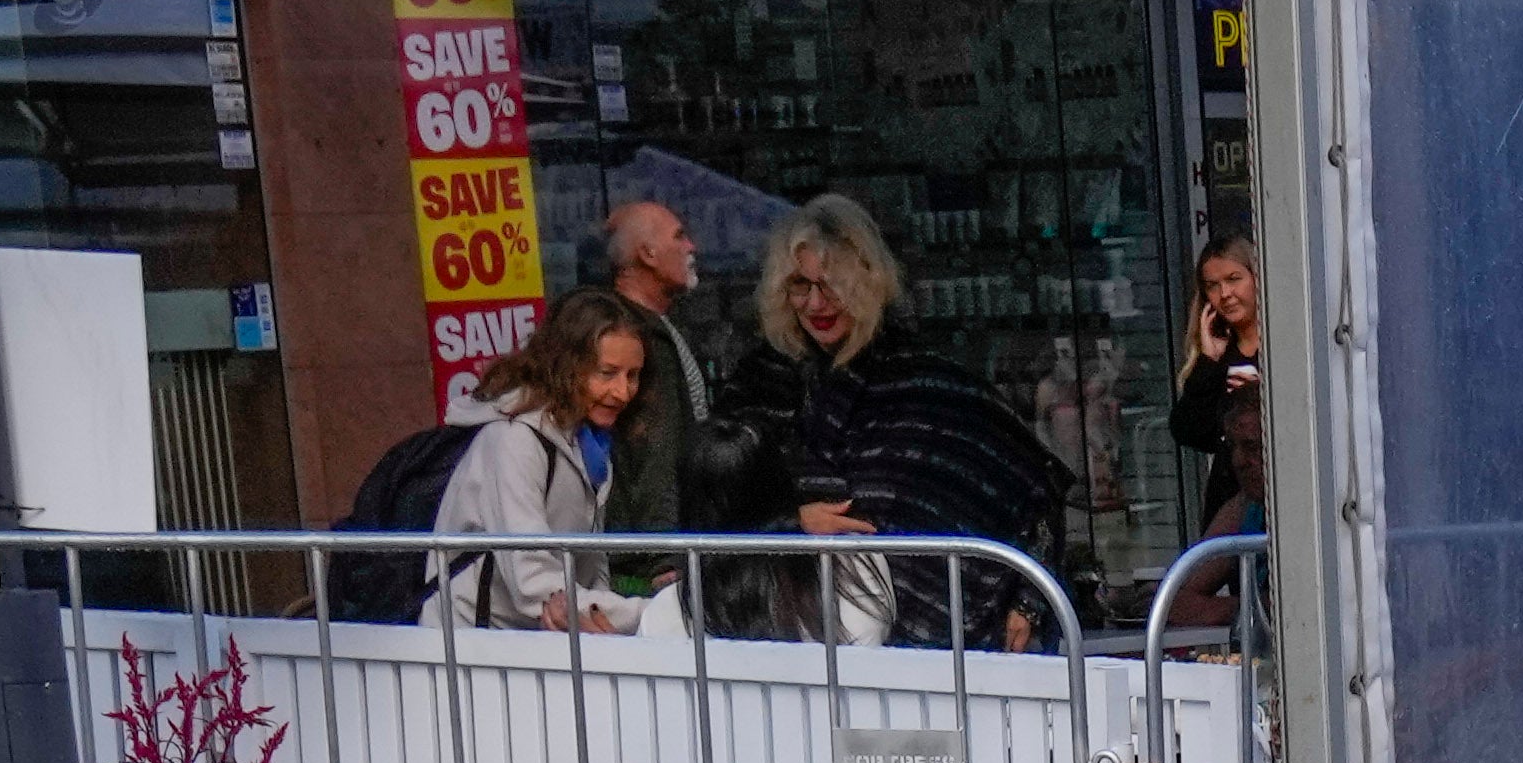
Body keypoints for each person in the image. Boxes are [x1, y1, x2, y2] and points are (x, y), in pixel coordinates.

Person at [726, 197, 1067, 641]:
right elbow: (718, 499)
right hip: (792, 640)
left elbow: (1035, 491)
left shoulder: (931, 383)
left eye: (831, 285)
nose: (815, 303)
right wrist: (793, 523)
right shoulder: (761, 385)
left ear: (868, 281)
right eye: (799, 285)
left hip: (936, 654)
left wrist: (1028, 602)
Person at [435, 292, 663, 632]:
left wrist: (601, 618)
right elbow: (533, 582)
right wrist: (651, 615)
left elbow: (589, 562)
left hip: (532, 641)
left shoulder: (588, 442)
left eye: (633, 375)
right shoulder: (514, 439)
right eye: (607, 373)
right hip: (473, 649)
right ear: (565, 365)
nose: (622, 392)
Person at [583, 191, 722, 543]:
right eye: (678, 236)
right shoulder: (637, 339)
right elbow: (656, 456)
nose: (691, 247)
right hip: (649, 555)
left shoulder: (647, 326)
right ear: (647, 254)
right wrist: (662, 555)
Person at [1164, 238, 1269, 574]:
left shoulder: (1289, 340)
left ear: (1257, 276)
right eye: (1213, 286)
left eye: (1234, 279)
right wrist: (1208, 362)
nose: (1225, 294)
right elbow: (1190, 431)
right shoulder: (1216, 356)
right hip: (1232, 505)